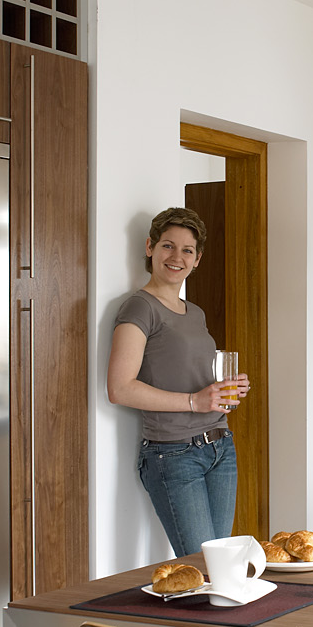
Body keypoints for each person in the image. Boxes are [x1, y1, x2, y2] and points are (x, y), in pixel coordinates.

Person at [107, 207, 249, 556]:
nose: (177, 257)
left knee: (224, 562)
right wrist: (194, 401)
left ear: (197, 259)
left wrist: (225, 388)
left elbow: (189, 374)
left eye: (187, 250)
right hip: (173, 454)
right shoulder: (139, 308)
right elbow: (119, 388)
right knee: (203, 567)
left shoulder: (195, 312)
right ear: (150, 248)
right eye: (168, 246)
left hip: (220, 447)